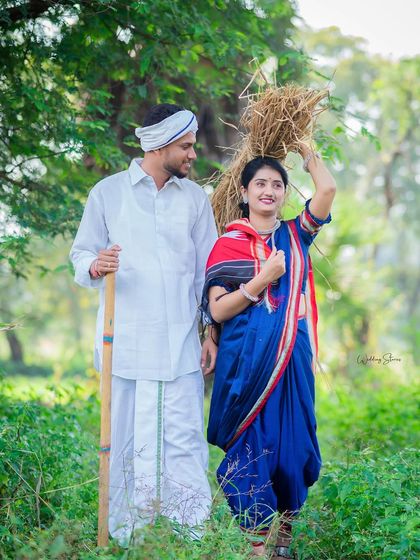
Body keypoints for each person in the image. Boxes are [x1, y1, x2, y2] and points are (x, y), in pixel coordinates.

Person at [70, 104, 218, 545]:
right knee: (124, 441)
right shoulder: (108, 193)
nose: (193, 154)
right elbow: (81, 253)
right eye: (187, 147)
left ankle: (189, 536)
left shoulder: (195, 200)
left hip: (179, 346)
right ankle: (125, 538)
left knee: (184, 439)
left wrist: (211, 332)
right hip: (125, 343)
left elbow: (207, 275)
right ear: (159, 145)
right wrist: (96, 264)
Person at [201, 146, 336, 558]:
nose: (269, 191)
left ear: (283, 194)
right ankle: (256, 546)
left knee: (295, 448)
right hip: (245, 366)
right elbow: (219, 308)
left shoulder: (296, 235)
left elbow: (327, 189)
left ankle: (284, 541)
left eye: (277, 185)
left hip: (291, 362)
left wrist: (309, 153)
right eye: (260, 183)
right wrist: (262, 279)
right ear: (244, 192)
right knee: (253, 450)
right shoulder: (228, 244)